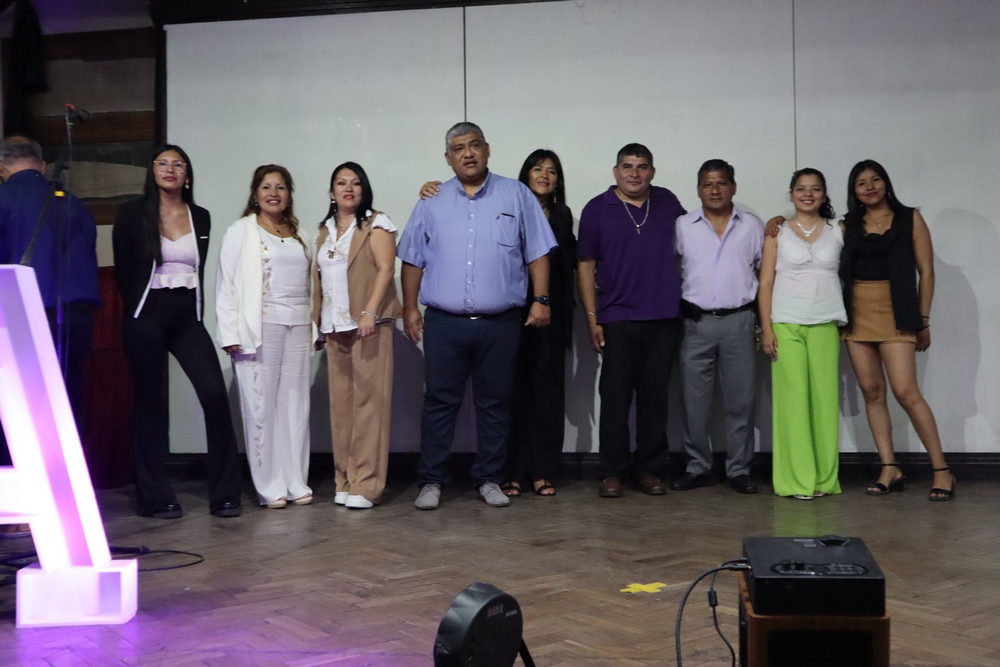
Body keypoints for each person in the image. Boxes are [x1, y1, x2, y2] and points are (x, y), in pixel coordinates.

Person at [398, 122, 557, 510]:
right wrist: (409, 307)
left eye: (474, 145)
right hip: (444, 323)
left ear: (487, 150)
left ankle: (490, 478)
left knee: (495, 404)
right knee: (439, 403)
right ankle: (432, 480)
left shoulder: (516, 194)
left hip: (500, 324)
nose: (467, 153)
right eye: (458, 148)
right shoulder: (432, 200)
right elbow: (412, 258)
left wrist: (541, 299)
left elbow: (538, 250)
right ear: (448, 158)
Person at [113, 145, 243, 519]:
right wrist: (136, 314)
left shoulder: (200, 216)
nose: (170, 169)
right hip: (146, 316)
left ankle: (225, 494)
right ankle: (155, 497)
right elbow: (124, 271)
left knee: (215, 395)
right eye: (163, 163)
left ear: (187, 174)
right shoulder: (132, 213)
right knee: (150, 403)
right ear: (152, 170)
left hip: (187, 318)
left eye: (178, 164)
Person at [0, 135, 99, 536]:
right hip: (75, 318)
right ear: (41, 164)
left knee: (17, 412)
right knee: (63, 408)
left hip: (21, 315)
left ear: (2, 169)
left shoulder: (4, 199)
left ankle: (18, 512)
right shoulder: (71, 202)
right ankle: (64, 506)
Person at [840, 160, 954, 501]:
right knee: (872, 390)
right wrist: (777, 221)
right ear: (854, 191)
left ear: (886, 183)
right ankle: (889, 467)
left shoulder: (910, 218)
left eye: (875, 179)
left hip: (898, 312)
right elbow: (813, 236)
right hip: (857, 313)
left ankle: (942, 470)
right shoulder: (847, 224)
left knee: (905, 391)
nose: (869, 187)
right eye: (861, 183)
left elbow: (927, 271)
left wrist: (923, 319)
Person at [577, 143, 686, 498]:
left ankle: (649, 469)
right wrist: (592, 318)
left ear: (652, 171)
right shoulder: (597, 208)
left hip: (664, 316)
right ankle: (612, 471)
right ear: (616, 171)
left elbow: (700, 235)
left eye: (642, 167)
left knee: (655, 399)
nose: (634, 173)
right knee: (615, 398)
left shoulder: (668, 202)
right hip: (617, 316)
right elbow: (585, 267)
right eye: (627, 166)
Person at [217, 165, 313, 510]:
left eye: (281, 187)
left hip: (298, 325)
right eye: (267, 187)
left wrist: (314, 327)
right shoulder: (241, 231)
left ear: (289, 195)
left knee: (295, 405)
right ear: (255, 194)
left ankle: (295, 481)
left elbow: (310, 286)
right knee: (261, 405)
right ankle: (270, 486)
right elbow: (226, 284)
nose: (274, 193)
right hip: (260, 327)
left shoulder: (299, 233)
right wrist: (229, 332)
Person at [313, 162, 402, 510]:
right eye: (341, 183)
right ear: (331, 192)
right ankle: (345, 479)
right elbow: (318, 280)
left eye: (355, 183)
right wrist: (316, 323)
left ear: (363, 190)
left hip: (369, 325)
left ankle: (367, 484)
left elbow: (386, 269)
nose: (348, 188)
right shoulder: (324, 231)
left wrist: (370, 311)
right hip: (334, 327)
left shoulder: (376, 223)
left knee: (369, 406)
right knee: (342, 408)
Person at [672, 159, 763, 495]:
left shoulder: (752, 226)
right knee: (693, 402)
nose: (714, 190)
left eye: (721, 183)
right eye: (708, 184)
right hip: (695, 323)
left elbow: (766, 273)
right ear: (698, 189)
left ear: (733, 187)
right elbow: (668, 269)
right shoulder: (683, 226)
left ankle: (739, 469)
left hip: (740, 320)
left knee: (741, 402)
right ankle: (697, 467)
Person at [758, 168, 846, 500]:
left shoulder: (839, 230)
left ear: (824, 194)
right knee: (792, 403)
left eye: (815, 189)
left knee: (824, 402)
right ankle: (797, 481)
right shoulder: (777, 231)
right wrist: (767, 328)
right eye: (801, 189)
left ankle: (823, 479)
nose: (808, 194)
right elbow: (765, 282)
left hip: (825, 322)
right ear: (791, 194)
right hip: (785, 322)